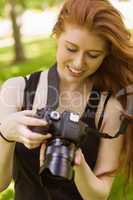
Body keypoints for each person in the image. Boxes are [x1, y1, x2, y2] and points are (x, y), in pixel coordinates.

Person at [0, 0, 133, 199]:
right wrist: (6, 134)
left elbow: (99, 196)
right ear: (56, 35)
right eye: (71, 49)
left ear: (105, 55)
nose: (79, 63)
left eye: (93, 55)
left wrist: (77, 162)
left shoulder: (109, 108)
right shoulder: (16, 90)